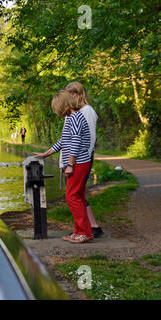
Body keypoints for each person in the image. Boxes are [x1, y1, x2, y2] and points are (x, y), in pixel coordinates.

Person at [34, 90, 93, 243]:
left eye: (57, 107)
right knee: (77, 197)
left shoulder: (74, 118)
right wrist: (45, 154)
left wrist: (70, 164)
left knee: (72, 197)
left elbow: (75, 142)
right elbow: (63, 141)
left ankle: (85, 233)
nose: (57, 111)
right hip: (78, 163)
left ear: (63, 105)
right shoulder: (74, 117)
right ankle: (80, 231)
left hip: (79, 163)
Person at [65, 81, 103, 238]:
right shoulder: (78, 111)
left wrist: (77, 161)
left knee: (74, 195)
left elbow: (85, 137)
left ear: (77, 94)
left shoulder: (87, 111)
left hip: (81, 158)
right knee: (77, 194)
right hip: (79, 158)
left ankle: (87, 229)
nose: (68, 98)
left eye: (71, 94)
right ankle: (89, 227)